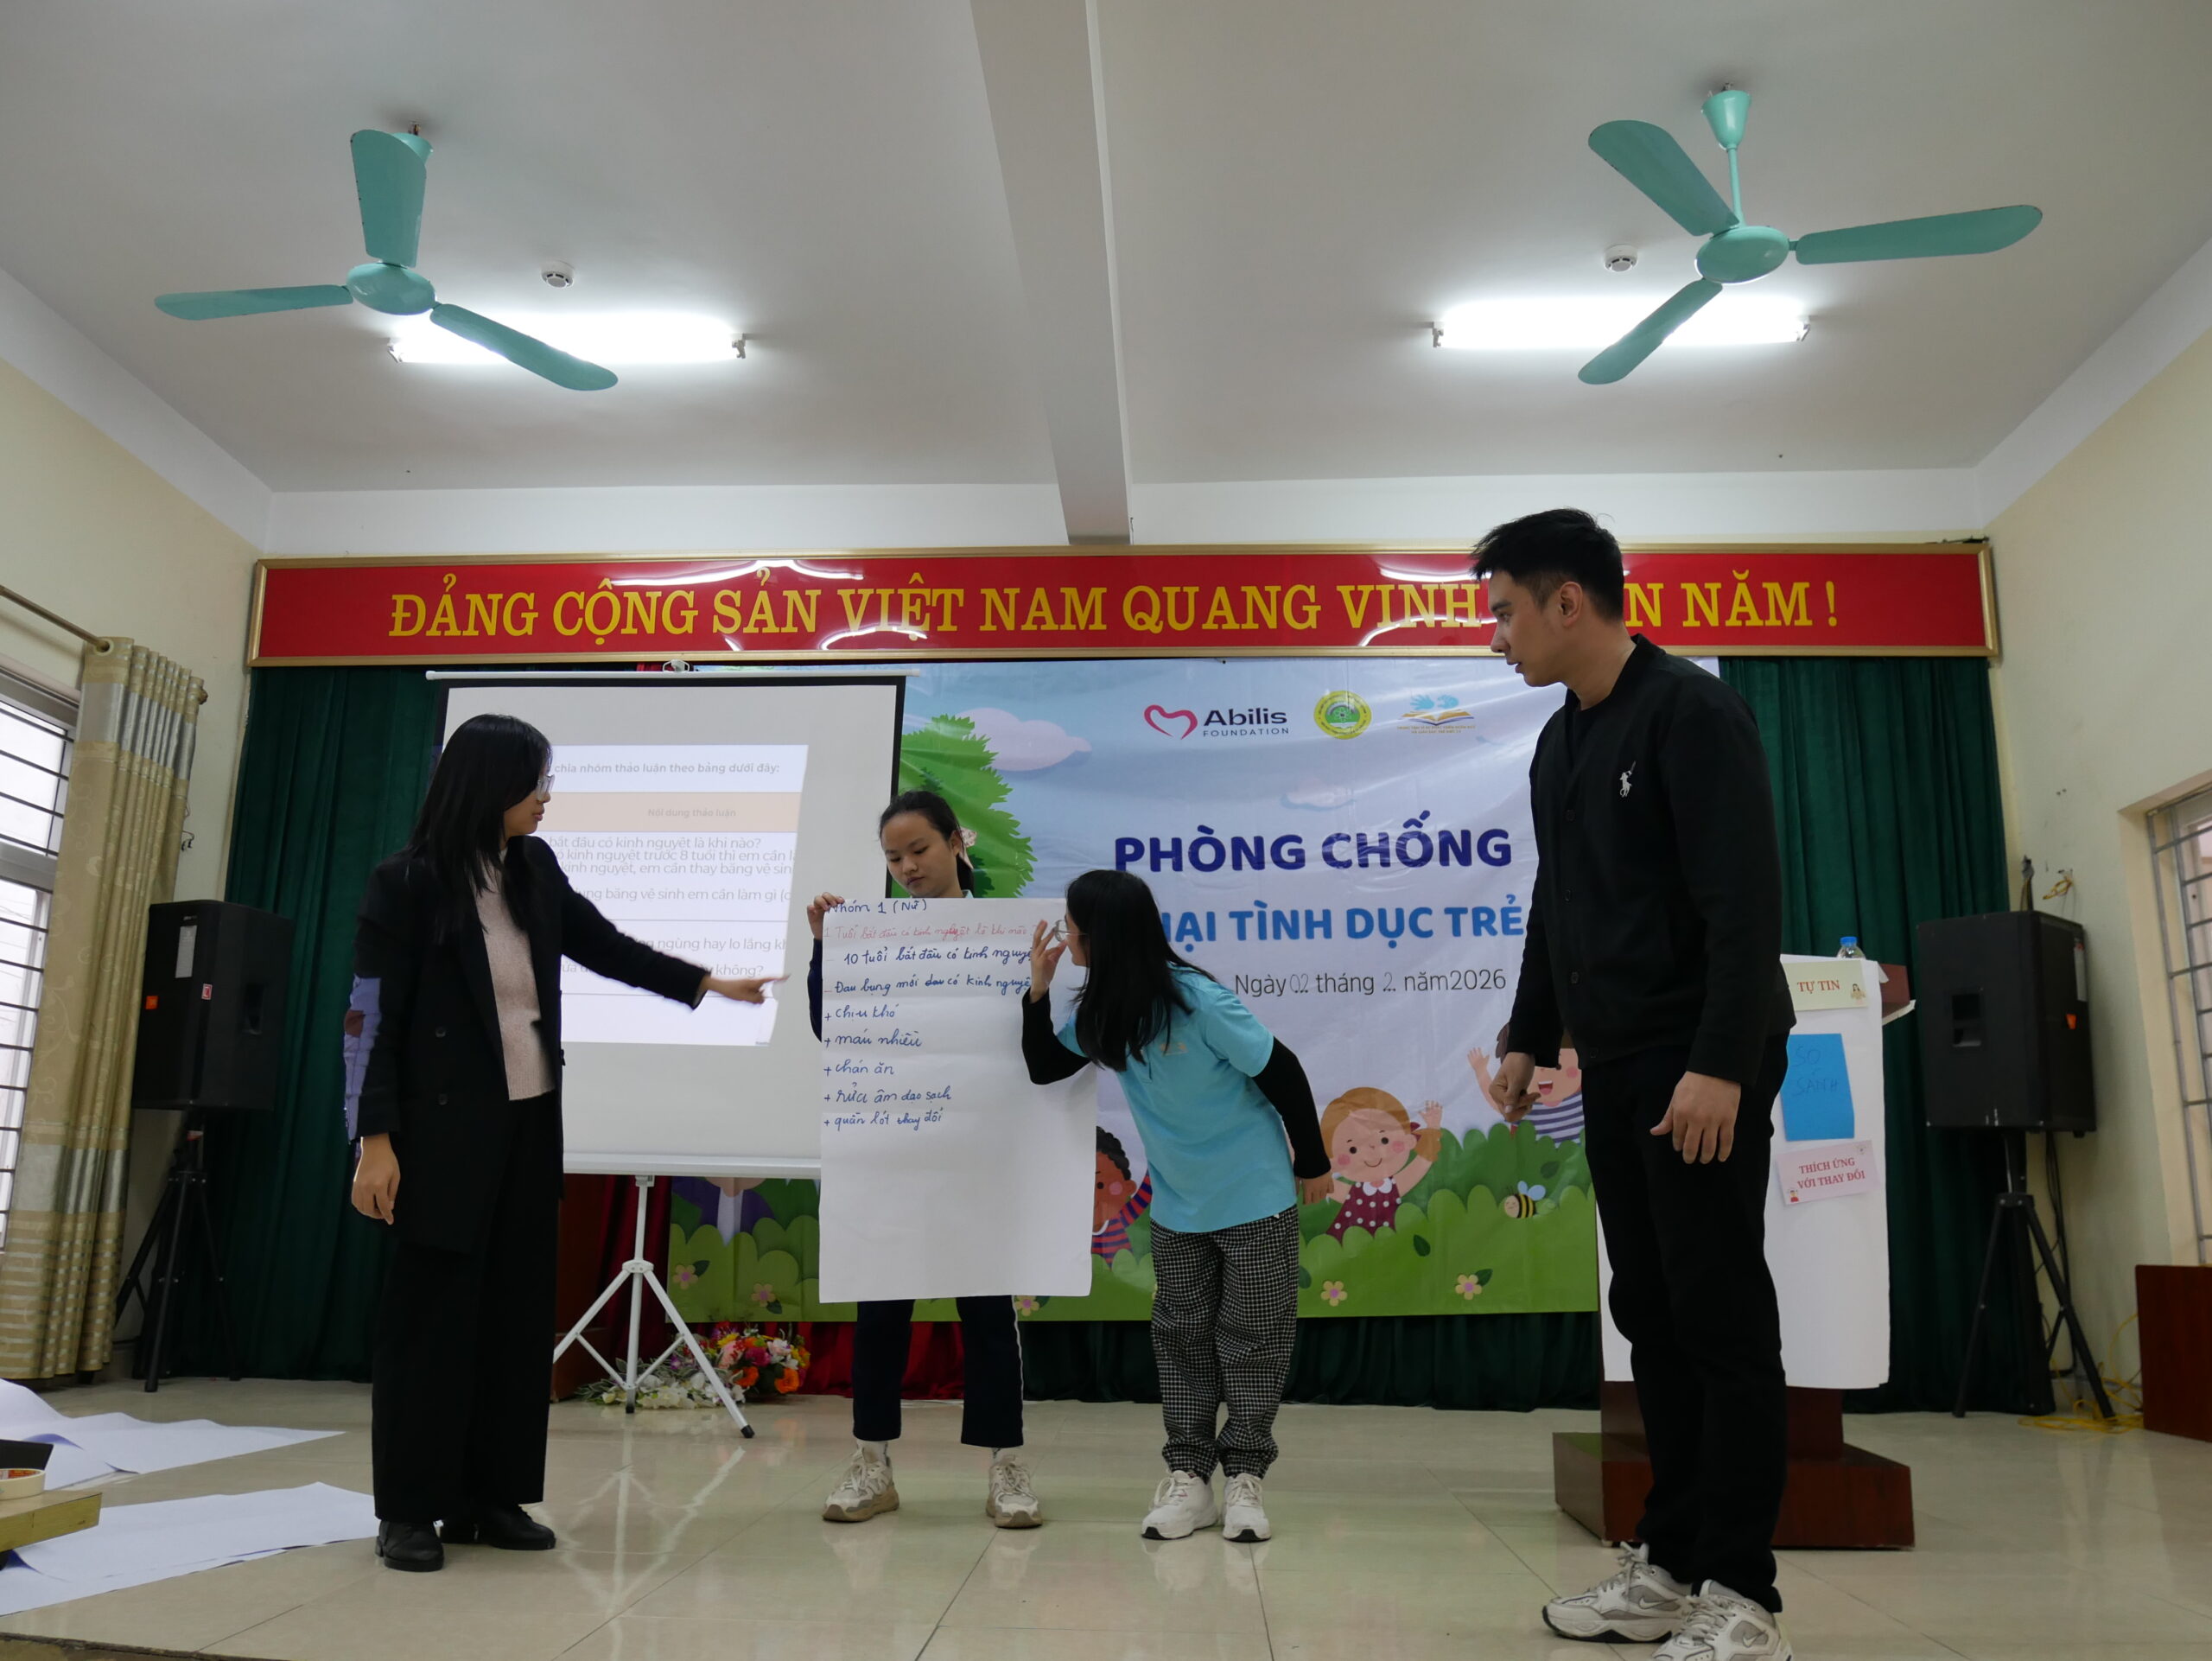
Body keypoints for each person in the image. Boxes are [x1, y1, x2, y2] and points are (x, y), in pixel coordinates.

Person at [348, 714, 779, 1574]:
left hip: (526, 1127)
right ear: (488, 783)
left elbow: (603, 945)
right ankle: (409, 1509)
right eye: (536, 782)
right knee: (430, 1330)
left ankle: (490, 1498)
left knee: (512, 1323)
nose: (546, 798)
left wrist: (704, 982)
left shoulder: (534, 867)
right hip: (438, 1139)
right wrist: (375, 1139)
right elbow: (370, 1015)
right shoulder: (407, 882)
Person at [1478, 509, 1797, 1661]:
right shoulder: (1558, 741)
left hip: (1696, 1059)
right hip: (1613, 1061)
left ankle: (1744, 1592)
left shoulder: (1691, 713)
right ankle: (1670, 1559)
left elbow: (1743, 903)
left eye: (1505, 611)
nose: (1495, 635)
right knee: (1651, 1314)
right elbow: (1555, 898)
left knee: (1718, 1311)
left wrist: (1719, 1062)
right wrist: (1530, 1033)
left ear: (1569, 600)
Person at [1020, 869, 1334, 1544]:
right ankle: (1189, 1476)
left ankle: (1245, 1476)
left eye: (1073, 929)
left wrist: (1312, 1163)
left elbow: (1283, 1071)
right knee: (1182, 1339)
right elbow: (1045, 1066)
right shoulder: (1103, 1010)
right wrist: (1038, 991)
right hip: (1178, 1207)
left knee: (1253, 1340)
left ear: (1101, 935)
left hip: (1254, 1198)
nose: (1066, 938)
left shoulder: (1198, 1001)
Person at [804, 789, 1039, 1530]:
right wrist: (825, 949)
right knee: (881, 1307)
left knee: (988, 1311)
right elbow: (830, 1027)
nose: (907, 867)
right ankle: (871, 1462)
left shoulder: (1007, 932)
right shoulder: (872, 935)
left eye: (919, 850)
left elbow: (1038, 1043)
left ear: (956, 842)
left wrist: (1039, 985)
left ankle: (1006, 1466)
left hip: (978, 1153)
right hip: (893, 1151)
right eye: (893, 857)